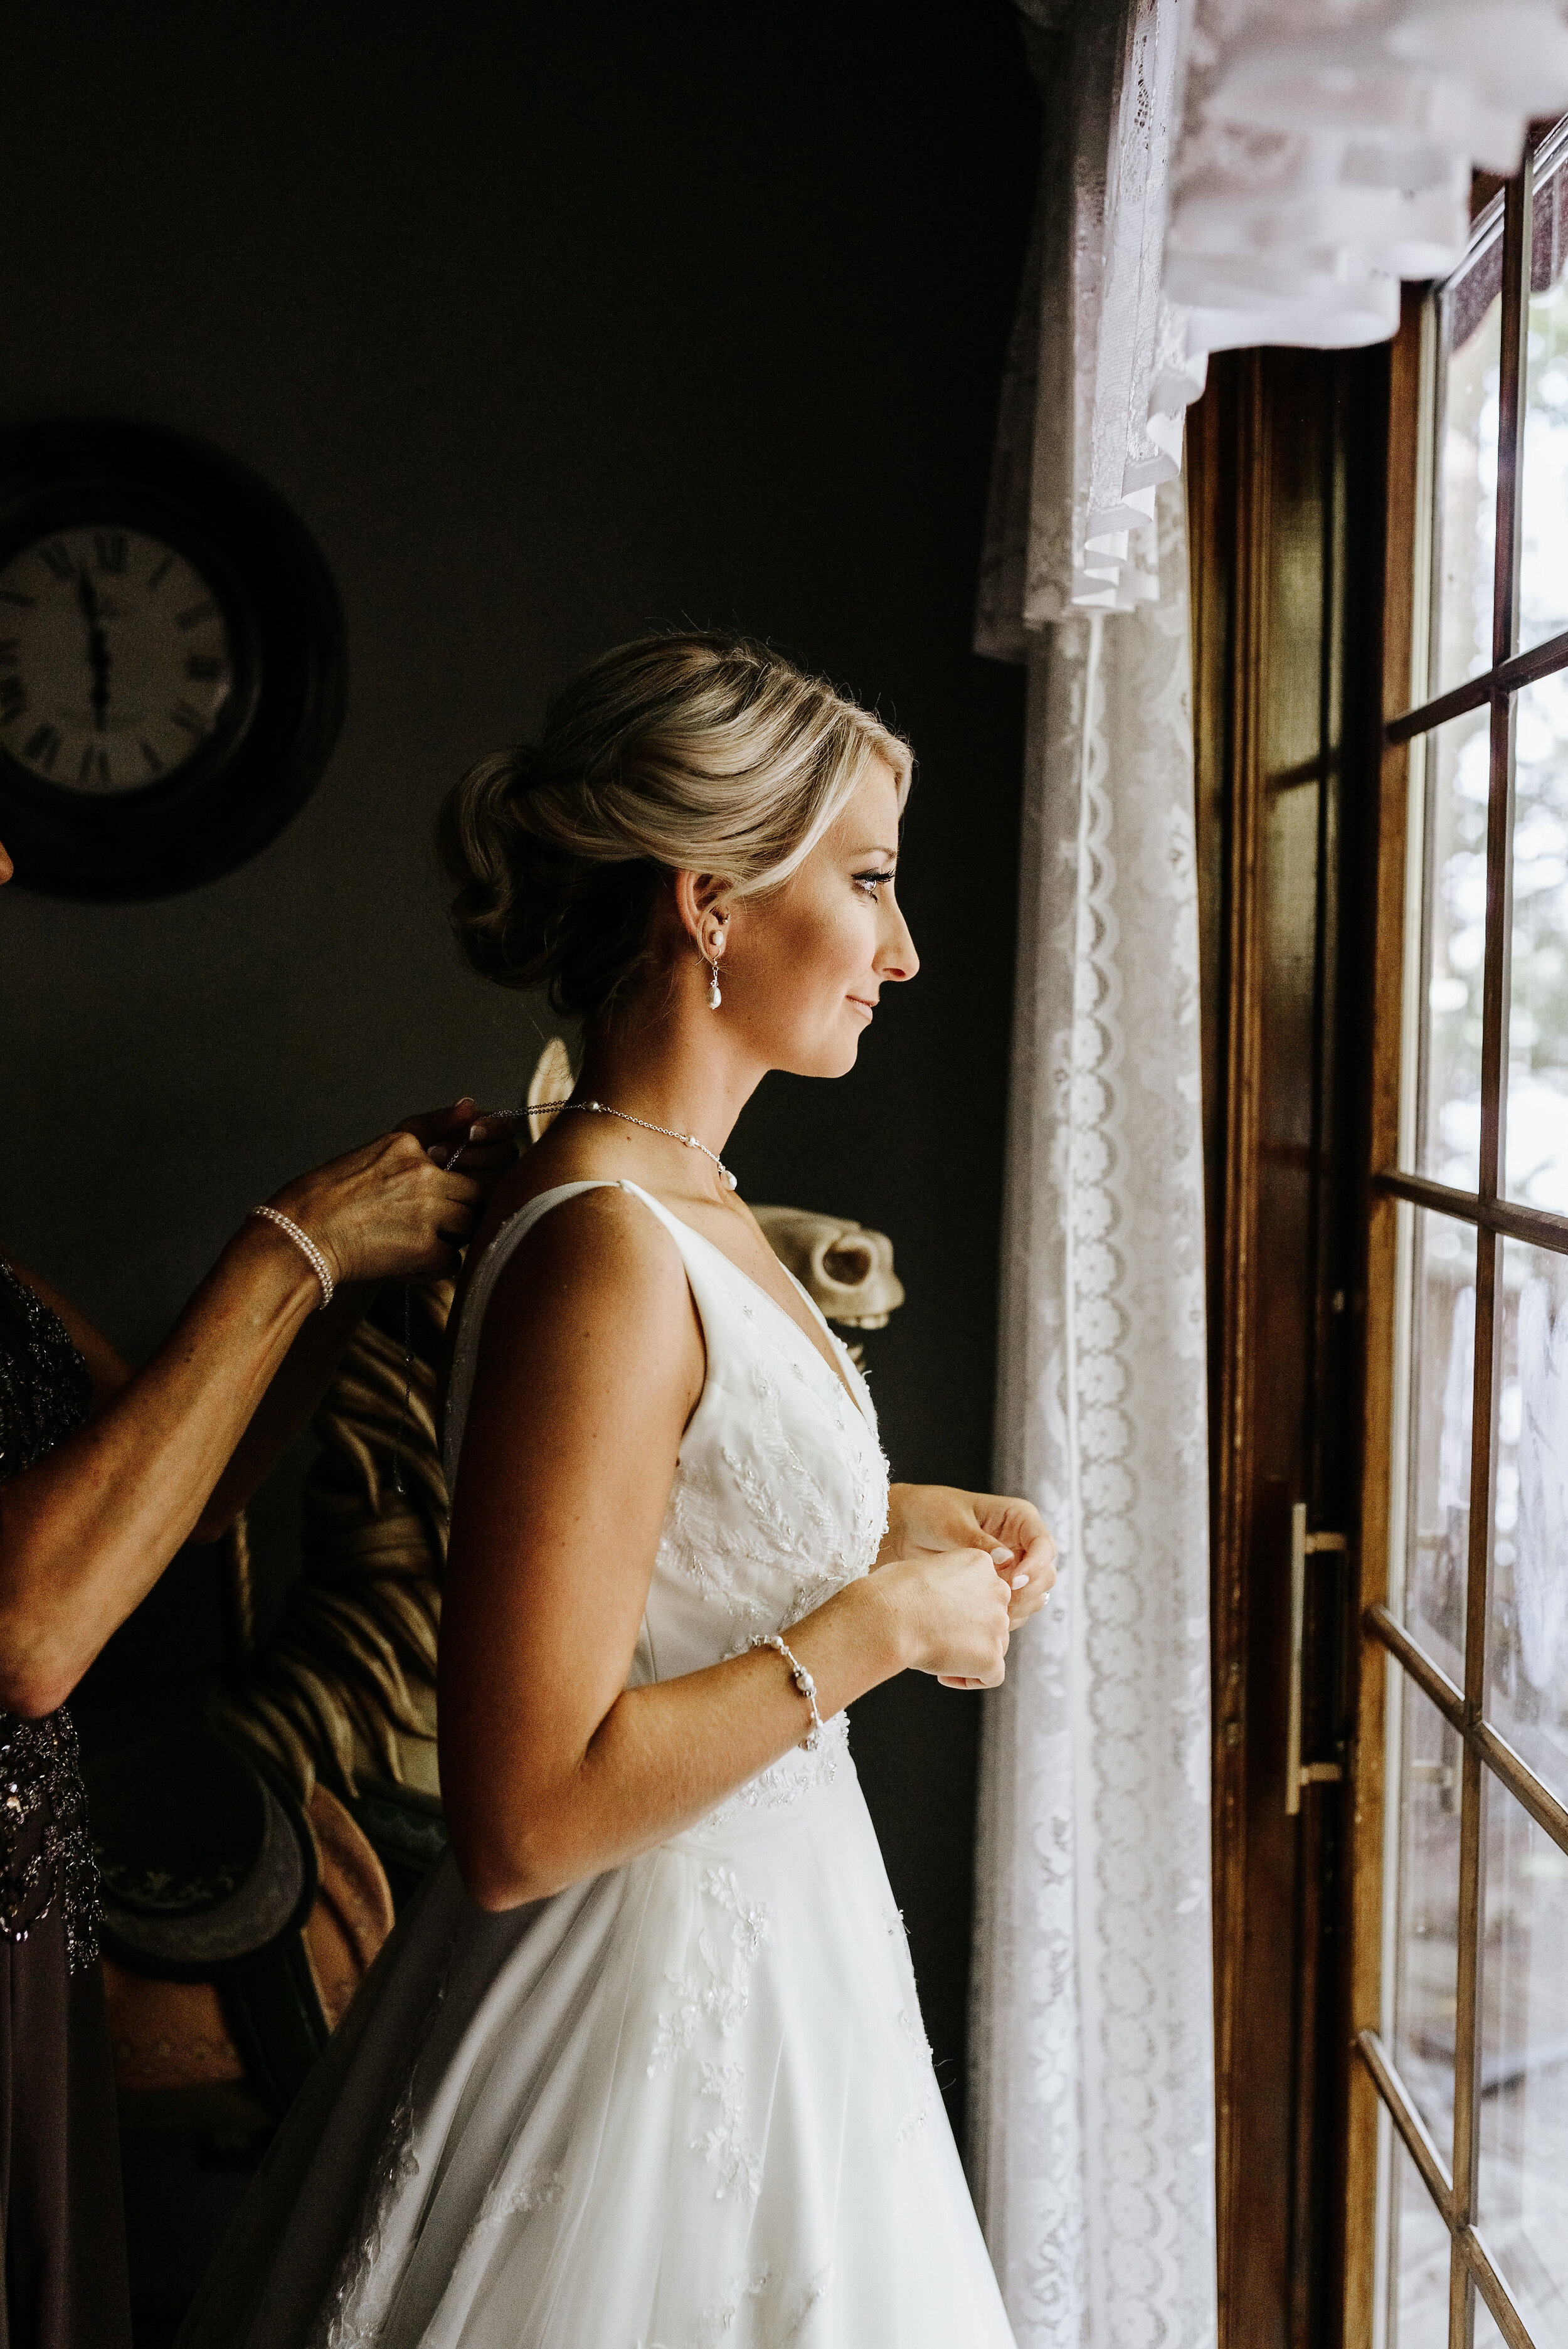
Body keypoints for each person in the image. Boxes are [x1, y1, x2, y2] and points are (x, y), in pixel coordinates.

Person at [176, 632, 1056, 2349]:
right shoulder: (600, 1243)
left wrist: (886, 1521)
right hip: (632, 2013)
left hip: (787, 1977)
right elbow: (518, 1821)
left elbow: (661, 1533)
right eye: (867, 883)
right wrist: (875, 1622)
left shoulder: (691, 1201)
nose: (903, 947)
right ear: (708, 899)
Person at [0, 827, 516, 2349]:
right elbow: (29, 1631)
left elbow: (174, 1491)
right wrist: (288, 1250)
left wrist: (346, 1277)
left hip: (26, 1922)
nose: (17, 856)